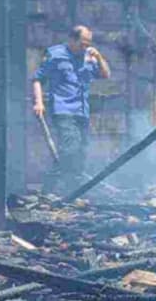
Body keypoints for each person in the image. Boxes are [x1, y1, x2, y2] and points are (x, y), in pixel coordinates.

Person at [32, 25, 111, 194]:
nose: (86, 47)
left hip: (82, 111)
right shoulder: (55, 55)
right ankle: (48, 189)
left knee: (80, 152)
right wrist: (39, 102)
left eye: (88, 43)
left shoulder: (89, 57)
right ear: (72, 40)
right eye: (82, 43)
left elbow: (105, 75)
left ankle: (73, 192)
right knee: (70, 148)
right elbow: (37, 79)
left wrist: (99, 56)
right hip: (63, 109)